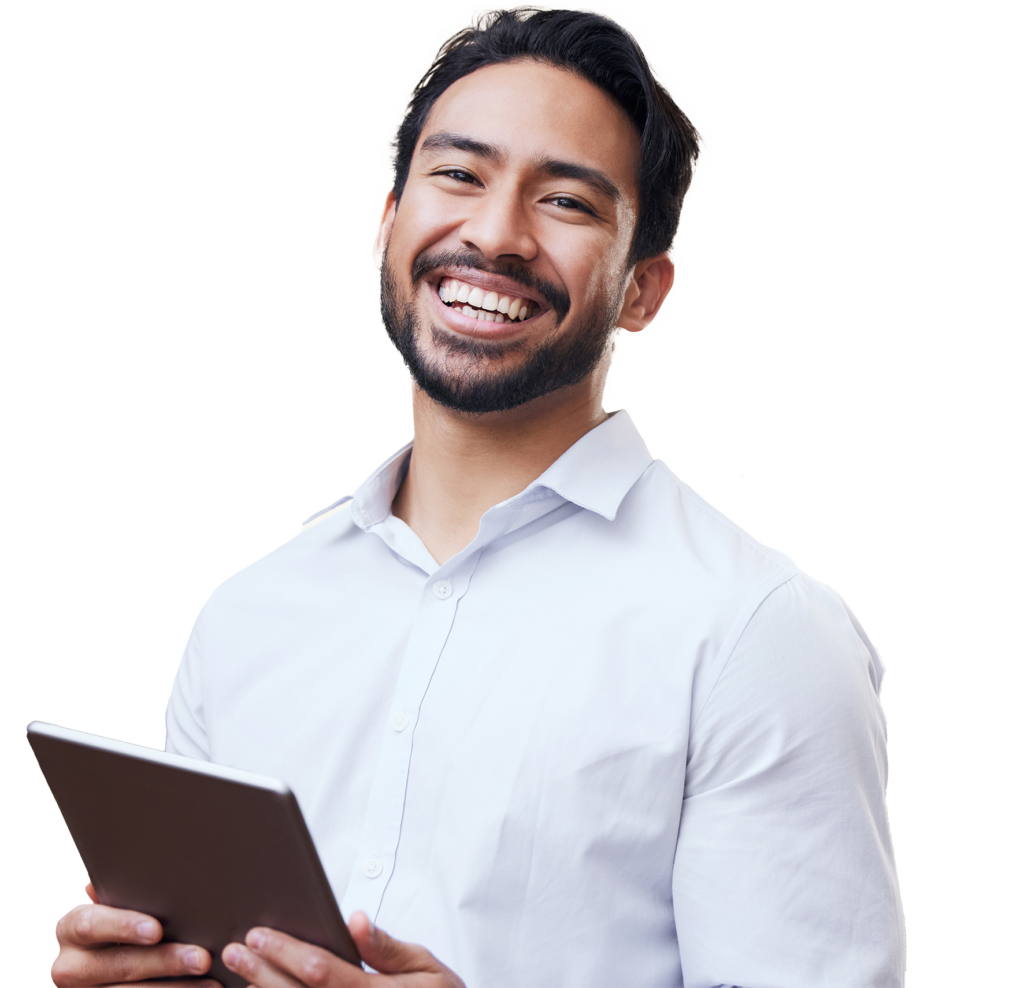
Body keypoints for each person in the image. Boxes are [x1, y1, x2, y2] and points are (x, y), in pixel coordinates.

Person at [50, 5, 906, 987]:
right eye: (458, 175)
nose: (494, 235)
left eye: (569, 203)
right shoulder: (247, 617)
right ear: (383, 222)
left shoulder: (758, 631)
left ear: (646, 290)